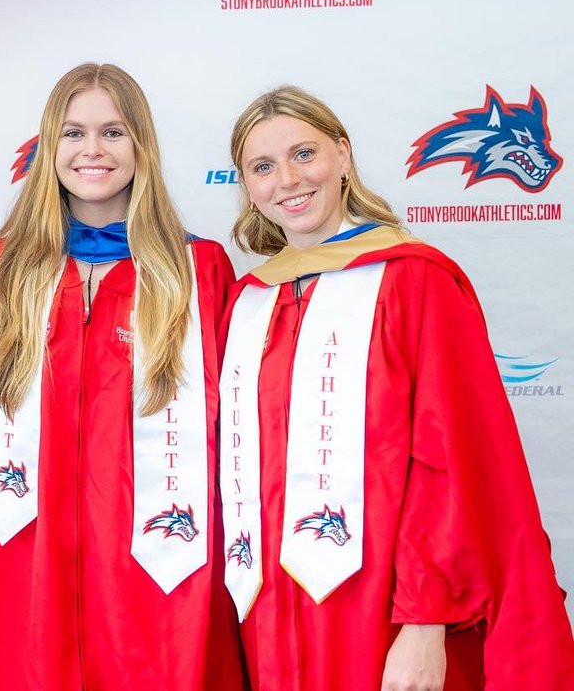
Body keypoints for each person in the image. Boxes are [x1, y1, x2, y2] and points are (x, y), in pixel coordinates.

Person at [220, 85, 574, 690]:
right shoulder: (247, 302)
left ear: (343, 155)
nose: (287, 179)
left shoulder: (414, 282)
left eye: (304, 154)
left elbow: (453, 465)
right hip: (267, 616)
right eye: (263, 166)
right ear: (248, 186)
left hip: (380, 611)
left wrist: (424, 623)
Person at [0, 63, 245, 690]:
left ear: (141, 145)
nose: (91, 150)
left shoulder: (196, 268)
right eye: (72, 132)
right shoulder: (4, 266)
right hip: (28, 547)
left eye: (113, 132)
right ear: (50, 148)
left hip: (159, 550)